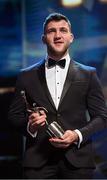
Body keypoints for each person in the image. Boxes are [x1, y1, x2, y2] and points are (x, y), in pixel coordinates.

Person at [8, 12, 107, 179]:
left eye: (63, 30)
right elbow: (14, 116)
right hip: (38, 163)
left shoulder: (89, 74)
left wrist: (77, 134)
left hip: (78, 163)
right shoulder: (26, 75)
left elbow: (102, 117)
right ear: (43, 38)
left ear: (71, 37)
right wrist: (30, 127)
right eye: (51, 31)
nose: (58, 35)